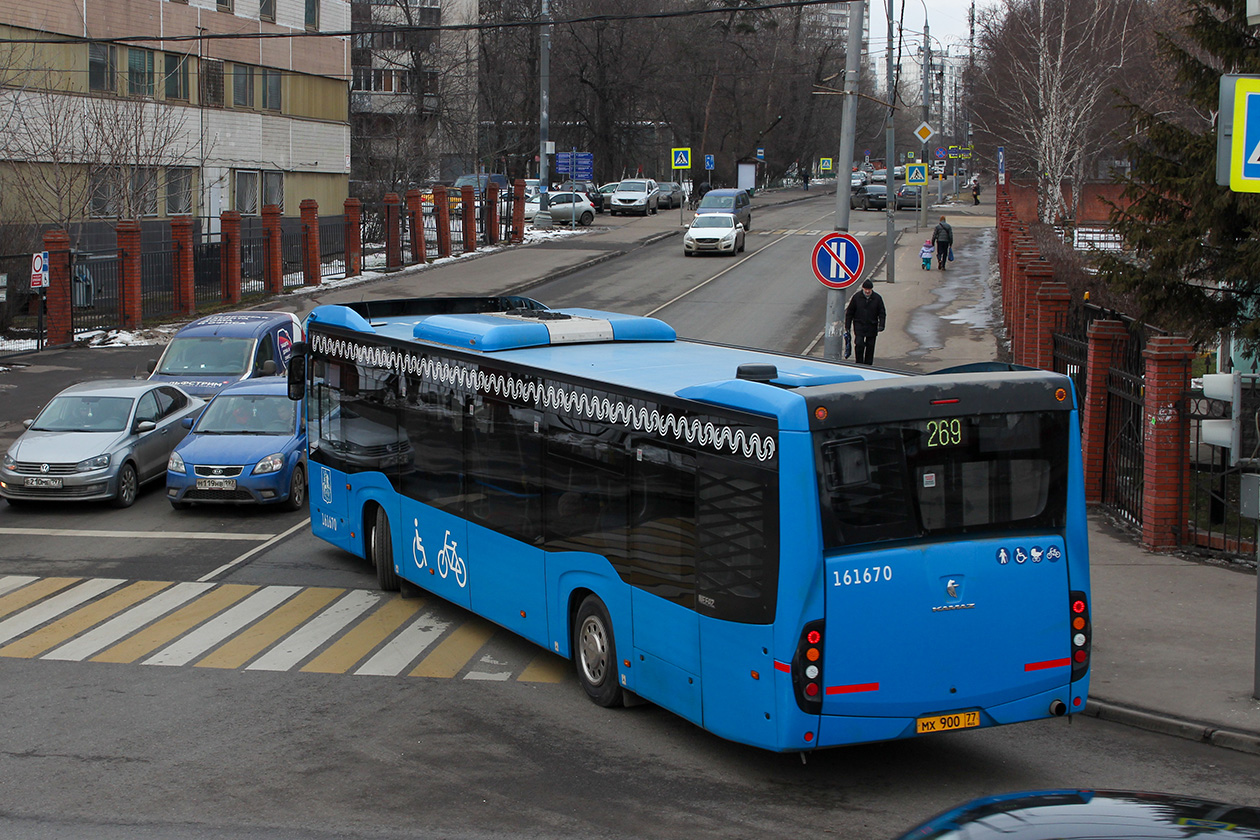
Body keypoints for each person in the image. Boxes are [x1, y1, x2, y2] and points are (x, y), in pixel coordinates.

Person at [844, 279, 886, 366]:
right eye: (865, 289)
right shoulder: (856, 297)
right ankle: (859, 363)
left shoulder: (877, 298)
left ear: (871, 289)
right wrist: (847, 326)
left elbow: (882, 313)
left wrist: (881, 325)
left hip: (872, 325)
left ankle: (868, 364)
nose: (867, 291)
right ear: (863, 288)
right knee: (859, 344)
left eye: (869, 289)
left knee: (870, 346)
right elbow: (850, 312)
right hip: (859, 325)